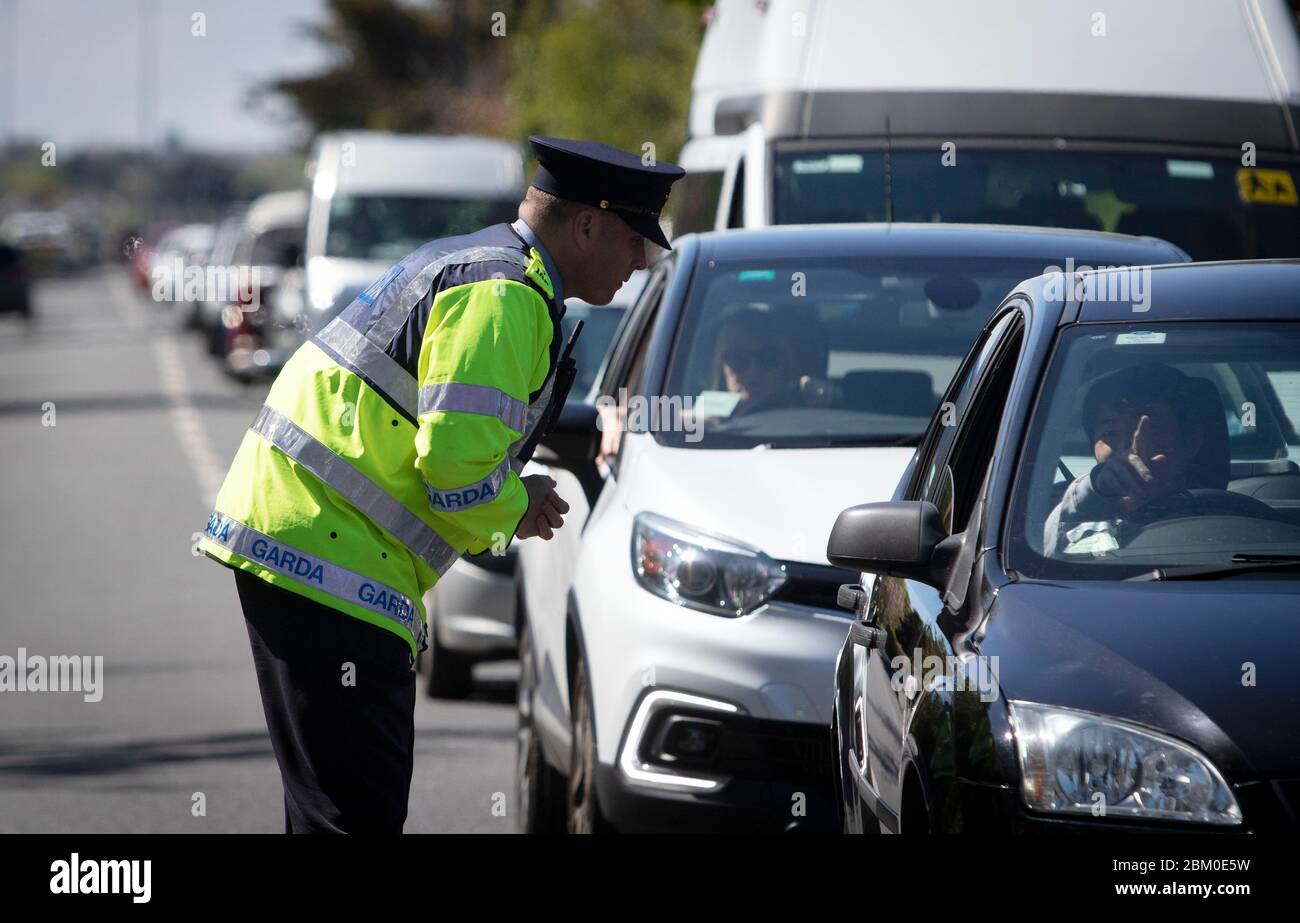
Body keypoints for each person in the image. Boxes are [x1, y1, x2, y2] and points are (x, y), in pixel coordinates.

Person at [196, 136, 684, 832]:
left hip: (308, 538)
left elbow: (449, 439)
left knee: (330, 807)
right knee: (353, 811)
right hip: (327, 554)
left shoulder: (494, 271)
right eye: (636, 240)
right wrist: (521, 504)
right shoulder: (505, 295)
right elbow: (455, 471)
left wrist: (516, 483)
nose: (640, 261)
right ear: (586, 225)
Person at [1044, 362, 1211, 556]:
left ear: (1191, 440)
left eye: (1149, 428)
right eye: (1111, 433)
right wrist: (1096, 489)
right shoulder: (1074, 522)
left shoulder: (1230, 519)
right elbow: (1040, 561)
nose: (1127, 449)